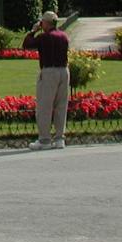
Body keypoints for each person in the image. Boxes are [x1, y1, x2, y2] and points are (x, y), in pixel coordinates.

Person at [22, 10, 70, 150]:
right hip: (64, 71)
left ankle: (44, 140)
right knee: (61, 105)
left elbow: (27, 44)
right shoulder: (64, 36)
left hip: (49, 71)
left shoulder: (44, 37)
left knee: (45, 106)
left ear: (46, 23)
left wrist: (33, 30)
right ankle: (60, 138)